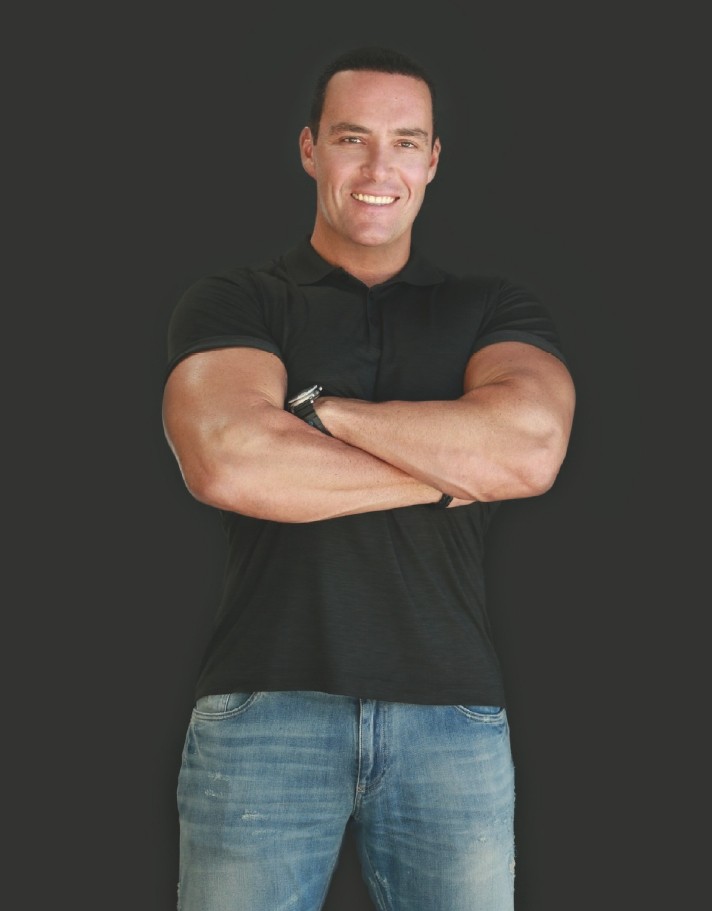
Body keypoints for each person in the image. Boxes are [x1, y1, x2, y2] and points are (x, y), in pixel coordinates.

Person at [162, 45, 575, 911]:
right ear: (310, 149)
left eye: (405, 142)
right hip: (264, 706)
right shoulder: (238, 299)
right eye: (353, 138)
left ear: (433, 160)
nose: (379, 167)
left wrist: (321, 412)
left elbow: (532, 450)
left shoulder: (490, 309)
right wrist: (453, 468)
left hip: (451, 715)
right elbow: (229, 459)